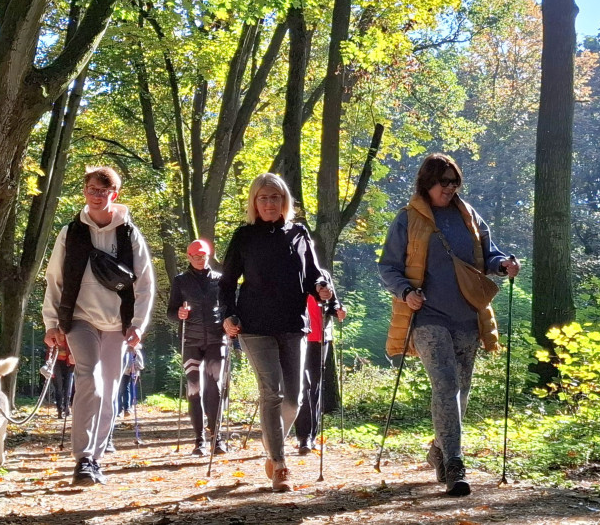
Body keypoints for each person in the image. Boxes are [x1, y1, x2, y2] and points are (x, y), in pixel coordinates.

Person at [377, 153, 520, 497]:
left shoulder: (469, 216)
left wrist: (503, 266)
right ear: (427, 182)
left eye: (455, 181)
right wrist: (406, 291)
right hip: (427, 316)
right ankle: (455, 463)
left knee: (462, 388)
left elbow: (490, 255)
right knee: (445, 384)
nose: (451, 187)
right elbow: (388, 268)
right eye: (445, 181)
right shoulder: (408, 219)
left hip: (468, 315)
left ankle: (439, 449)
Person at [221, 173, 344, 492]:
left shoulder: (299, 233)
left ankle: (271, 442)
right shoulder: (244, 236)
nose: (269, 203)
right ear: (254, 202)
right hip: (255, 325)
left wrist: (321, 289)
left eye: (275, 197)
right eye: (263, 198)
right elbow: (227, 282)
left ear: (284, 201)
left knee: (295, 397)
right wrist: (228, 314)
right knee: (272, 392)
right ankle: (279, 463)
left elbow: (313, 275)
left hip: (293, 323)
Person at [42, 166, 156, 487]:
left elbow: (145, 284)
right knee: (88, 378)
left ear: (114, 195)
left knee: (109, 387)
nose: (96, 196)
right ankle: (83, 459)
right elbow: (55, 280)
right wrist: (52, 322)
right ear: (85, 192)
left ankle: (96, 456)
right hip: (80, 319)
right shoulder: (70, 233)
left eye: (103, 191)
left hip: (118, 324)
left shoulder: (130, 234)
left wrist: (138, 324)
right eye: (91, 189)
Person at [168, 238, 229, 456]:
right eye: (196, 257)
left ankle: (217, 438)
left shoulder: (219, 280)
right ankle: (199, 441)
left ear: (209, 256)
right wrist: (179, 314)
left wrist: (231, 323)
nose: (200, 260)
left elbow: (228, 306)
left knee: (215, 388)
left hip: (216, 339)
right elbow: (171, 312)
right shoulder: (180, 281)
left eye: (203, 256)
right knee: (194, 390)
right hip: (191, 341)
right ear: (188, 257)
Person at [294, 294, 337, 455]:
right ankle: (304, 436)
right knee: (303, 386)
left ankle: (311, 435)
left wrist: (339, 310)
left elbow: (334, 303)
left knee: (315, 386)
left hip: (320, 338)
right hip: (297, 337)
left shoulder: (323, 276)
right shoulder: (294, 272)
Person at [51, 342, 75, 419]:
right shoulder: (54, 333)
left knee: (68, 387)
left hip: (69, 363)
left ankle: (66, 407)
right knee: (58, 387)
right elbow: (49, 349)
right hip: (56, 363)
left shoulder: (71, 333)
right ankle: (59, 410)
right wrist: (48, 363)